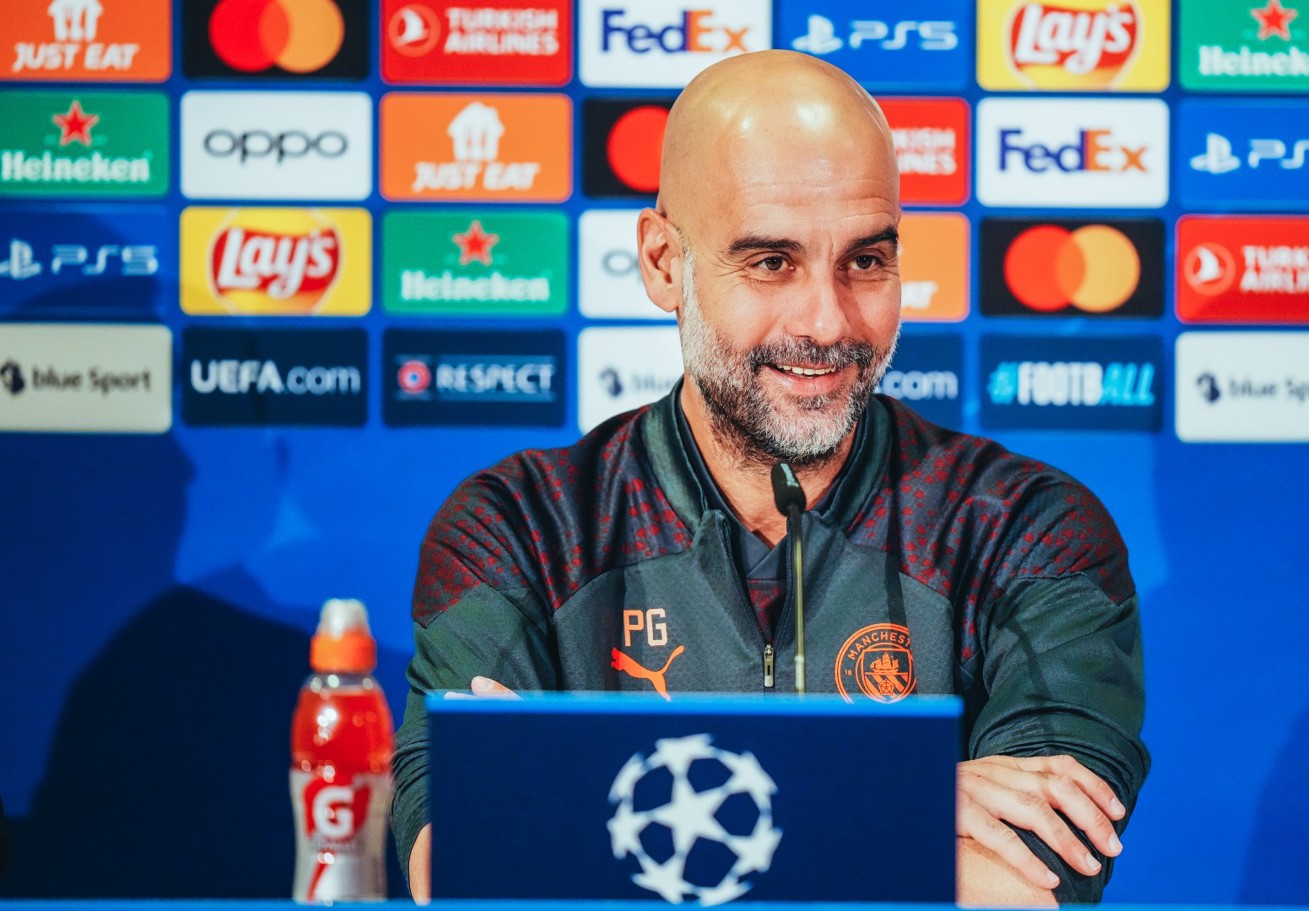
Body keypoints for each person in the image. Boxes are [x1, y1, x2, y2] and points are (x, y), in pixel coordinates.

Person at [392, 50, 1147, 907]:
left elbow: (1020, 885)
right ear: (663, 262)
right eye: (771, 262)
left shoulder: (1026, 526)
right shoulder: (522, 526)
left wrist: (589, 804)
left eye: (866, 260)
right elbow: (466, 865)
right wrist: (903, 797)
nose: (826, 320)